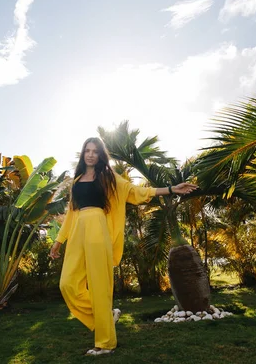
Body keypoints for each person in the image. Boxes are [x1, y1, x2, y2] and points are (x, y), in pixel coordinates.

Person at [49, 137, 198, 356]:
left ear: (100, 155)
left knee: (100, 286)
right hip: (77, 230)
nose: (90, 154)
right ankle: (106, 317)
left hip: (98, 229)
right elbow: (71, 213)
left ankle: (105, 343)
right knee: (67, 284)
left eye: (95, 151)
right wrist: (58, 241)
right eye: (87, 151)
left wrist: (171, 189)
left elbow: (136, 192)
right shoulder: (77, 179)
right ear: (83, 154)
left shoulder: (108, 177)